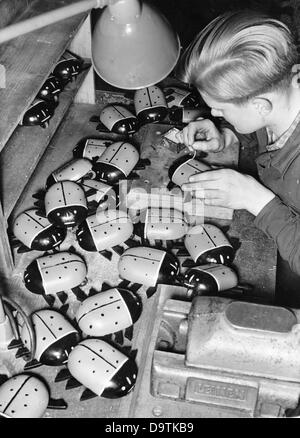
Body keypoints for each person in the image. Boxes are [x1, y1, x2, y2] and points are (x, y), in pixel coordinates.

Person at [175, 10, 300, 305]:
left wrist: (255, 200)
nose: (213, 113)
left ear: (259, 105)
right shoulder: (283, 90)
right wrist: (228, 132)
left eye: (220, 109)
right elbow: (264, 125)